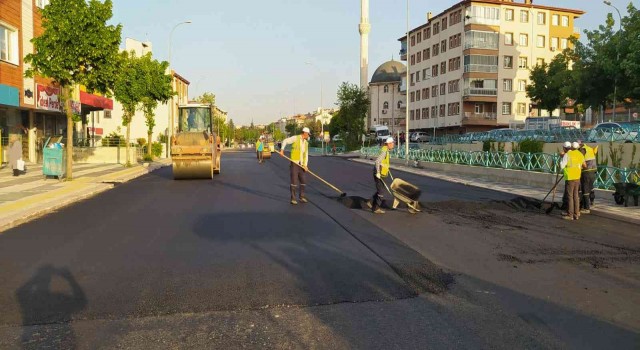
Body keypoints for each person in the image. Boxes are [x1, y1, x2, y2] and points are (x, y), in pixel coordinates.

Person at [280, 127, 310, 205]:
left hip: (301, 165)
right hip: (294, 163)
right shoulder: (295, 138)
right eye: (308, 134)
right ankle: (293, 198)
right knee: (294, 181)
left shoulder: (306, 143)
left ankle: (302, 197)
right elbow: (285, 141)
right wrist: (282, 150)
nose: (308, 136)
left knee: (303, 181)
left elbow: (305, 155)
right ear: (305, 133)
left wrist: (305, 165)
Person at [561, 141, 586, 220]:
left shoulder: (567, 155)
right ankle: (576, 214)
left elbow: (562, 166)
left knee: (570, 196)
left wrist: (561, 159)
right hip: (577, 178)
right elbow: (584, 165)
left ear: (565, 148)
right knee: (576, 196)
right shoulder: (580, 154)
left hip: (570, 178)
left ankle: (570, 215)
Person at [369, 137, 395, 214]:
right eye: (392, 143)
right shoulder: (384, 151)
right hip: (379, 173)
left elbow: (382, 162)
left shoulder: (386, 150)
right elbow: (377, 161)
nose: (393, 144)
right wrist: (377, 172)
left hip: (383, 173)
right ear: (389, 144)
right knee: (381, 192)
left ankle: (370, 202)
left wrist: (385, 166)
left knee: (380, 190)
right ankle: (376, 208)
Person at [579, 140, 597, 213]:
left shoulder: (582, 150)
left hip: (586, 171)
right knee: (590, 186)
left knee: (585, 189)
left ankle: (586, 208)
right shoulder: (589, 148)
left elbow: (581, 161)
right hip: (593, 170)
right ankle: (592, 201)